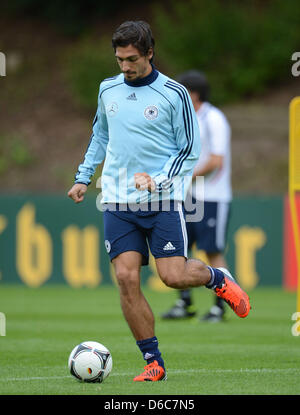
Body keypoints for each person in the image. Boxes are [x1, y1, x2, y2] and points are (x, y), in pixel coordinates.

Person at [68, 20, 250, 382]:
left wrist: (160, 180)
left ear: (150, 53)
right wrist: (82, 177)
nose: (126, 66)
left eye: (132, 59)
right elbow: (99, 135)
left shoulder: (175, 94)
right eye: (120, 59)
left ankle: (216, 277)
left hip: (162, 200)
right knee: (125, 277)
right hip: (117, 201)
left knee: (174, 276)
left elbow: (189, 150)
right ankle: (153, 360)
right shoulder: (108, 90)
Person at [161, 71, 232, 323]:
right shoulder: (186, 119)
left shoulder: (214, 118)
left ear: (193, 94)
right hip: (187, 196)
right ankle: (185, 303)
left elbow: (216, 160)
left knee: (212, 250)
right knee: (182, 249)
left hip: (212, 196)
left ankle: (220, 306)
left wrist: (185, 176)